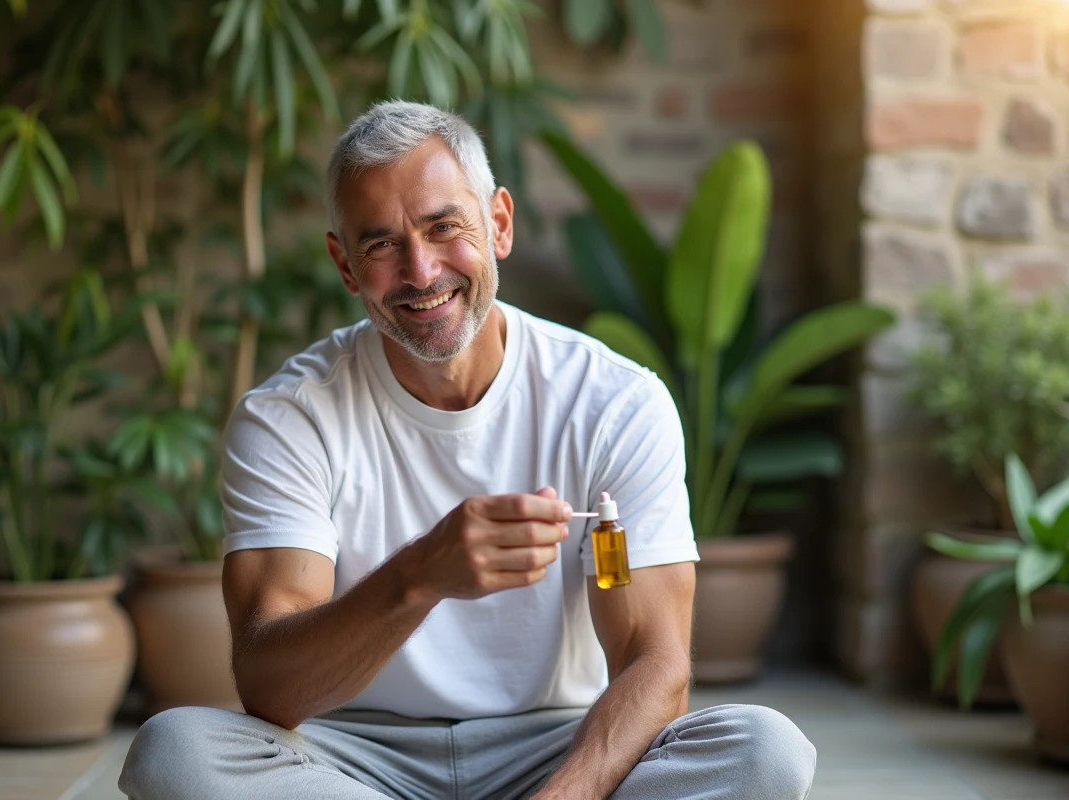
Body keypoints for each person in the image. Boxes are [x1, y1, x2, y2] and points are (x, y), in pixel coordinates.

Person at [118, 100, 816, 800]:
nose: (421, 271)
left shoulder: (614, 401)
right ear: (345, 265)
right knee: (176, 753)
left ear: (499, 224)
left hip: (555, 745)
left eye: (444, 227)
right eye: (381, 244)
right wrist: (422, 575)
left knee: (764, 751)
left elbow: (653, 660)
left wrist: (563, 796)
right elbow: (271, 690)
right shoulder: (288, 417)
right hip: (351, 758)